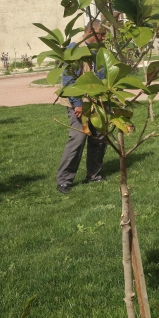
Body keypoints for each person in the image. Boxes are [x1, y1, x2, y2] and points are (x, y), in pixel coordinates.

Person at [56, 21, 108, 194]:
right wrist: (77, 103)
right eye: (101, 34)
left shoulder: (99, 51)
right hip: (78, 103)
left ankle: (94, 175)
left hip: (97, 101)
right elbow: (69, 79)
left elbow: (103, 76)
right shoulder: (74, 49)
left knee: (99, 138)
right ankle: (64, 180)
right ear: (90, 31)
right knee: (78, 139)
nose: (103, 38)